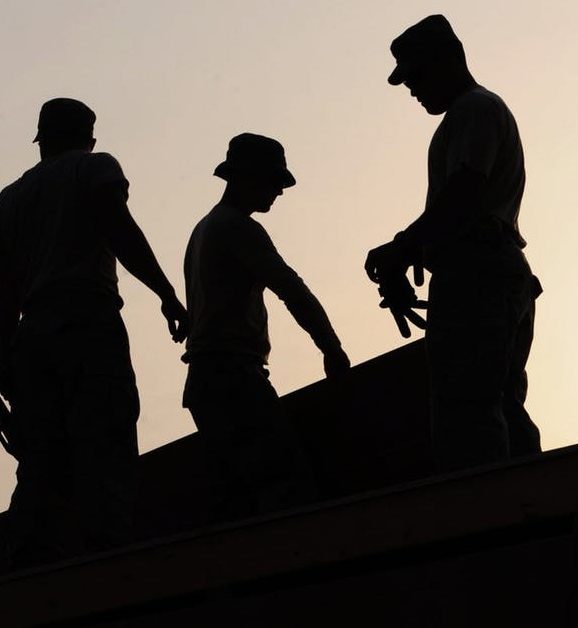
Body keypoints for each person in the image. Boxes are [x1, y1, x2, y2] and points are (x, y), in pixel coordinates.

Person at [0, 98, 188, 567]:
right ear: (89, 137)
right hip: (87, 322)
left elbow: (2, 289)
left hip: (31, 336)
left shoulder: (9, 200)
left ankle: (28, 567)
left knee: (41, 460)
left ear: (41, 141)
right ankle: (112, 558)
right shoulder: (94, 167)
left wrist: (5, 361)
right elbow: (120, 230)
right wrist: (166, 292)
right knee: (105, 439)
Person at [365, 15, 543, 471]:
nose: (412, 89)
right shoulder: (467, 117)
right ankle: (532, 509)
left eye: (417, 76)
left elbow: (464, 192)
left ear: (449, 60)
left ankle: (490, 520)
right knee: (500, 407)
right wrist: (416, 254)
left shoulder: (474, 109)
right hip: (491, 274)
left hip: (480, 277)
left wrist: (403, 248)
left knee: (468, 415)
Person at [182, 133, 349, 520]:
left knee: (235, 499)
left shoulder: (203, 229)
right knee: (285, 485)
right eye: (273, 182)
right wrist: (331, 346)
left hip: (207, 381)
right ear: (246, 178)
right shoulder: (237, 228)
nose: (279, 191)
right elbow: (290, 288)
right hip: (232, 378)